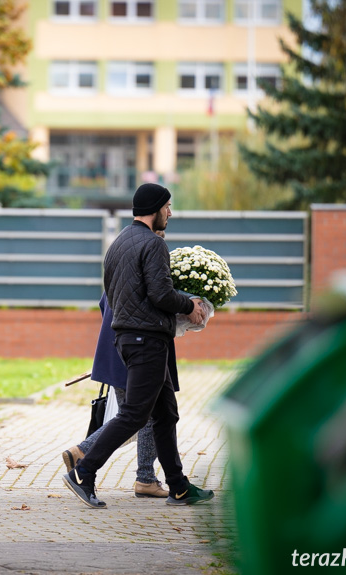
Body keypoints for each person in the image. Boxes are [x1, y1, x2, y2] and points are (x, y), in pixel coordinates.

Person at [62, 183, 213, 508]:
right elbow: (161, 294)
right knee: (134, 415)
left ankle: (179, 486)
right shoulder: (153, 244)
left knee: (165, 414)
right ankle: (83, 471)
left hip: (127, 339)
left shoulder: (118, 243)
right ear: (156, 208)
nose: (170, 213)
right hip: (147, 340)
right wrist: (191, 306)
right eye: (168, 207)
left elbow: (111, 294)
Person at [61, 290, 177, 498]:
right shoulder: (144, 278)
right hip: (138, 349)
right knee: (139, 416)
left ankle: (146, 478)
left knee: (135, 414)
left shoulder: (120, 272)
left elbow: (102, 304)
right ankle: (86, 453)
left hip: (116, 347)